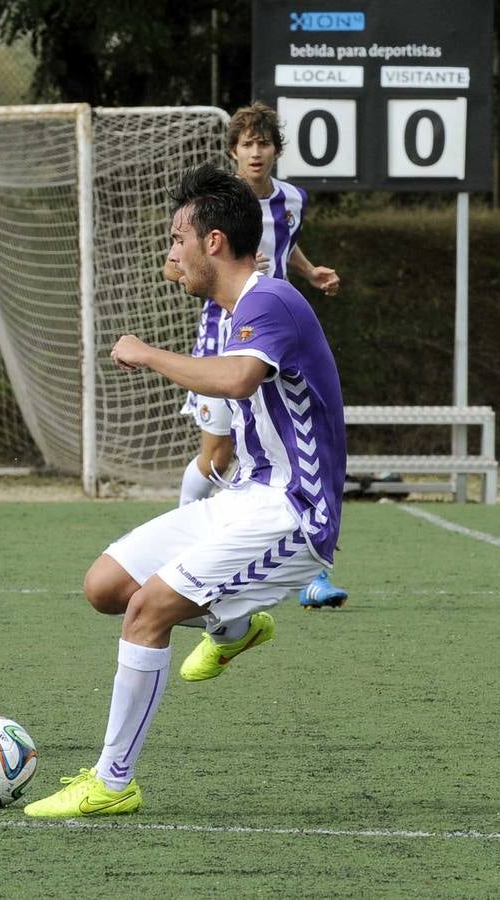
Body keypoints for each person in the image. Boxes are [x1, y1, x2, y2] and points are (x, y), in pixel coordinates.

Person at [23, 164, 346, 818]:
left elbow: (237, 381)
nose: (170, 252)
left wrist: (145, 353)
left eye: (178, 239)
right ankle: (233, 624)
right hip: (245, 496)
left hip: (295, 511)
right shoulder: (226, 310)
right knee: (105, 586)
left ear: (215, 242)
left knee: (148, 609)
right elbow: (225, 412)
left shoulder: (271, 299)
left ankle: (114, 783)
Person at [173, 101, 347, 610]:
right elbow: (177, 264)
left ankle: (312, 572)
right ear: (233, 151)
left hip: (276, 341)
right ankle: (189, 532)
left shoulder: (292, 199)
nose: (255, 152)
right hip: (222, 338)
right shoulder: (211, 208)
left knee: (299, 453)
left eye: (263, 143)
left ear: (275, 150)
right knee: (220, 454)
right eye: (246, 143)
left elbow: (286, 242)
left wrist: (311, 273)